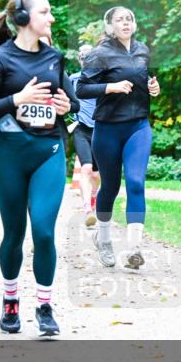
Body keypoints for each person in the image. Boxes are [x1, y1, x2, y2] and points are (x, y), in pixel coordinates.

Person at [0, 0, 79, 336]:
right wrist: (17, 98)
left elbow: (71, 101)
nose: (51, 18)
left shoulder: (55, 57)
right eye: (45, 12)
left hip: (48, 150)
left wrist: (67, 105)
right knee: (14, 234)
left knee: (45, 231)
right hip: (9, 155)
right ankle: (10, 301)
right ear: (22, 19)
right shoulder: (1, 61)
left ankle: (45, 307)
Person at [76, 6, 161, 269]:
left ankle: (134, 248)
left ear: (134, 24)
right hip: (108, 128)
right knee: (110, 187)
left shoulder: (143, 50)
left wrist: (155, 88)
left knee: (136, 182)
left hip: (138, 127)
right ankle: (103, 240)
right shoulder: (99, 54)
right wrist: (110, 87)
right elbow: (81, 89)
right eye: (119, 20)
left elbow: (148, 81)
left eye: (129, 19)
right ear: (110, 27)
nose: (125, 23)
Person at [68, 44, 100, 227]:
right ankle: (87, 208)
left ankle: (94, 201)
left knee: (97, 174)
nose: (85, 58)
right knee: (86, 168)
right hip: (81, 129)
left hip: (101, 131)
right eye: (82, 56)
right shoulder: (73, 79)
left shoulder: (103, 80)